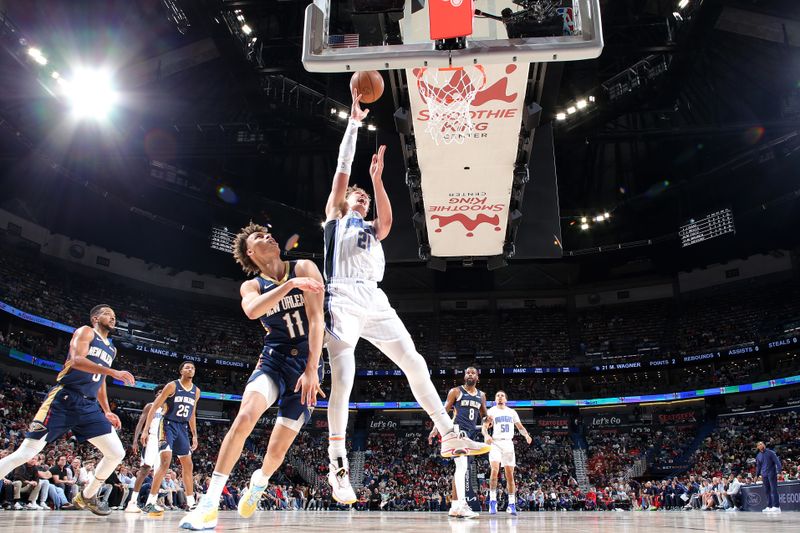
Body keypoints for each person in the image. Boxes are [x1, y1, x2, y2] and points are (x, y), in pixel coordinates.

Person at [323, 88, 488, 505]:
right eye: (356, 195)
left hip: (374, 299)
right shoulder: (335, 219)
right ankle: (337, 463)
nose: (359, 198)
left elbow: (389, 221)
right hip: (340, 297)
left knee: (414, 361)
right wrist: (354, 123)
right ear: (343, 202)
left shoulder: (370, 228)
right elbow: (343, 168)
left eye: (363, 197)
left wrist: (378, 182)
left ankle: (449, 435)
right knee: (344, 380)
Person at [179, 223, 326, 530]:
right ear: (250, 251)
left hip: (308, 365)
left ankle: (258, 483)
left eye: (270, 233)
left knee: (277, 451)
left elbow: (316, 321)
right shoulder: (252, 286)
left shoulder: (304, 266)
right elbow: (252, 311)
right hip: (274, 360)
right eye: (260, 237)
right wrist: (288, 286)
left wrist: (312, 369)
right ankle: (209, 504)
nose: (269, 236)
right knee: (245, 416)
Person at [0, 305, 134, 516]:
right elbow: (76, 361)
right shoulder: (86, 331)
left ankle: (87, 496)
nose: (113, 317)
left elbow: (101, 381)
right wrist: (113, 371)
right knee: (27, 452)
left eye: (115, 315)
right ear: (95, 318)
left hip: (89, 406)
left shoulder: (112, 348)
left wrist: (106, 410)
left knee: (116, 452)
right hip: (64, 398)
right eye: (108, 313)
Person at [139, 362, 200, 516]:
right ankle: (150, 502)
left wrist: (194, 435)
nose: (190, 369)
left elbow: (192, 414)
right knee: (165, 462)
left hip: (183, 428)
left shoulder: (196, 391)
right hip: (167, 425)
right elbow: (154, 407)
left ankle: (191, 503)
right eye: (187, 367)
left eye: (192, 368)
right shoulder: (172, 386)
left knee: (188, 465)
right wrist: (145, 430)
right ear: (181, 371)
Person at [428, 367, 489, 519]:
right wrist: (435, 429)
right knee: (462, 468)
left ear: (477, 377)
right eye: (467, 372)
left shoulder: (481, 395)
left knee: (461, 470)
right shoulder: (455, 391)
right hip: (457, 431)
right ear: (464, 376)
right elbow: (444, 411)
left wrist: (488, 420)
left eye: (473, 372)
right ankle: (461, 505)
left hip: (470, 434)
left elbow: (484, 416)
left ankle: (455, 506)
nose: (470, 374)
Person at [483, 390, 532, 516]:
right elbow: (484, 427)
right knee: (494, 471)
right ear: (495, 399)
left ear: (506, 399)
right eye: (497, 395)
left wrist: (526, 435)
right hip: (495, 443)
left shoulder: (512, 412)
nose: (500, 397)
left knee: (510, 475)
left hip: (508, 444)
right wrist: (486, 435)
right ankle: (492, 501)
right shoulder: (491, 411)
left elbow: (520, 427)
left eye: (502, 395)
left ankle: (511, 504)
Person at [125, 386, 166, 513]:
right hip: (152, 439)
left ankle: (151, 503)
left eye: (163, 392)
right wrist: (135, 440)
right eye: (159, 392)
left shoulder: (169, 408)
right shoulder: (150, 406)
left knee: (160, 472)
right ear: (155, 395)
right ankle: (132, 502)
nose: (161, 394)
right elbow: (140, 423)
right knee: (145, 470)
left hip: (164, 441)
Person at [756, 441, 782, 513]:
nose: (761, 445)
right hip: (764, 475)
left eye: (762, 444)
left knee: (774, 489)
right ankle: (769, 506)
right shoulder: (758, 455)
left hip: (772, 473)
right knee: (767, 491)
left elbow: (777, 462)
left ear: (764, 445)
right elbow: (758, 467)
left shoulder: (771, 452)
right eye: (759, 445)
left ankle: (776, 506)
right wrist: (756, 475)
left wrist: (779, 472)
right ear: (758, 447)